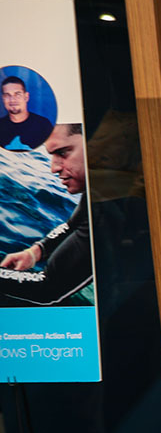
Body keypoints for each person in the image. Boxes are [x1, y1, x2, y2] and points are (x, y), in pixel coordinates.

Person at [0, 124, 93, 306]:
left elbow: (47, 289)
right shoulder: (97, 191)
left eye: (63, 153)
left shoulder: (110, 208)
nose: (53, 168)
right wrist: (35, 252)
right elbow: (72, 226)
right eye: (52, 155)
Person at [0, 76, 54, 151]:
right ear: (3, 99)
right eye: (7, 95)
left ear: (26, 97)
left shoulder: (43, 125)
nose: (12, 100)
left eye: (17, 94)